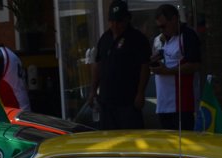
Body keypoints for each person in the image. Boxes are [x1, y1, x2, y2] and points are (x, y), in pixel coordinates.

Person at [85, 0, 149, 130]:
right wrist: (93, 91)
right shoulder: (105, 38)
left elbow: (145, 66)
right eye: (112, 21)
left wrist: (140, 93)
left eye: (119, 21)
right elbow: (97, 64)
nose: (115, 25)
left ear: (127, 19)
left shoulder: (137, 38)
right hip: (107, 101)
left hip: (128, 101)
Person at [149, 3, 201, 131]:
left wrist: (168, 71)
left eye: (163, 26)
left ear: (174, 19)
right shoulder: (164, 39)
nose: (161, 30)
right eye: (159, 27)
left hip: (181, 104)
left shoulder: (187, 35)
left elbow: (194, 65)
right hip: (163, 104)